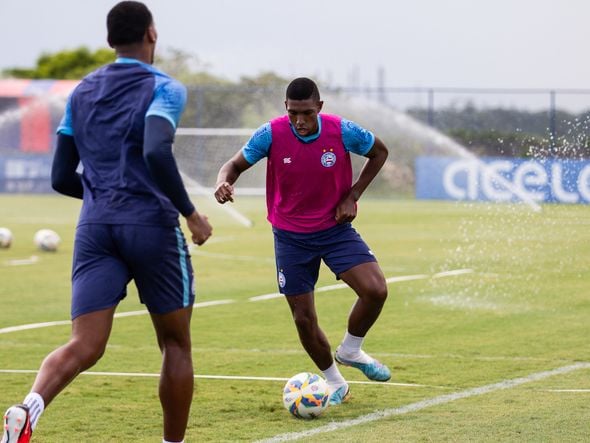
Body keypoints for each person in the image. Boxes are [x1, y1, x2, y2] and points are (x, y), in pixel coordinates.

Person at [1, 2, 212, 443]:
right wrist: (190, 213)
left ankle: (29, 406)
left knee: (85, 343)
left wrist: (102, 196)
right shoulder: (165, 88)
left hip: (95, 228)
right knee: (175, 343)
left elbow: (61, 177)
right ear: (152, 34)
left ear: (109, 41)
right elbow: (156, 151)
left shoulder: (80, 92)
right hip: (151, 227)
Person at [214, 77, 390, 405]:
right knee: (303, 318)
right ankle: (334, 382)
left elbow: (380, 152)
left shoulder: (342, 130)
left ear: (319, 108)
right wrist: (224, 182)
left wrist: (353, 195)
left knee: (376, 289)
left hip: (335, 230)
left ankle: (351, 349)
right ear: (286, 108)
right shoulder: (270, 133)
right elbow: (233, 165)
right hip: (290, 238)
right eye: (294, 113)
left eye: (307, 113)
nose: (300, 121)